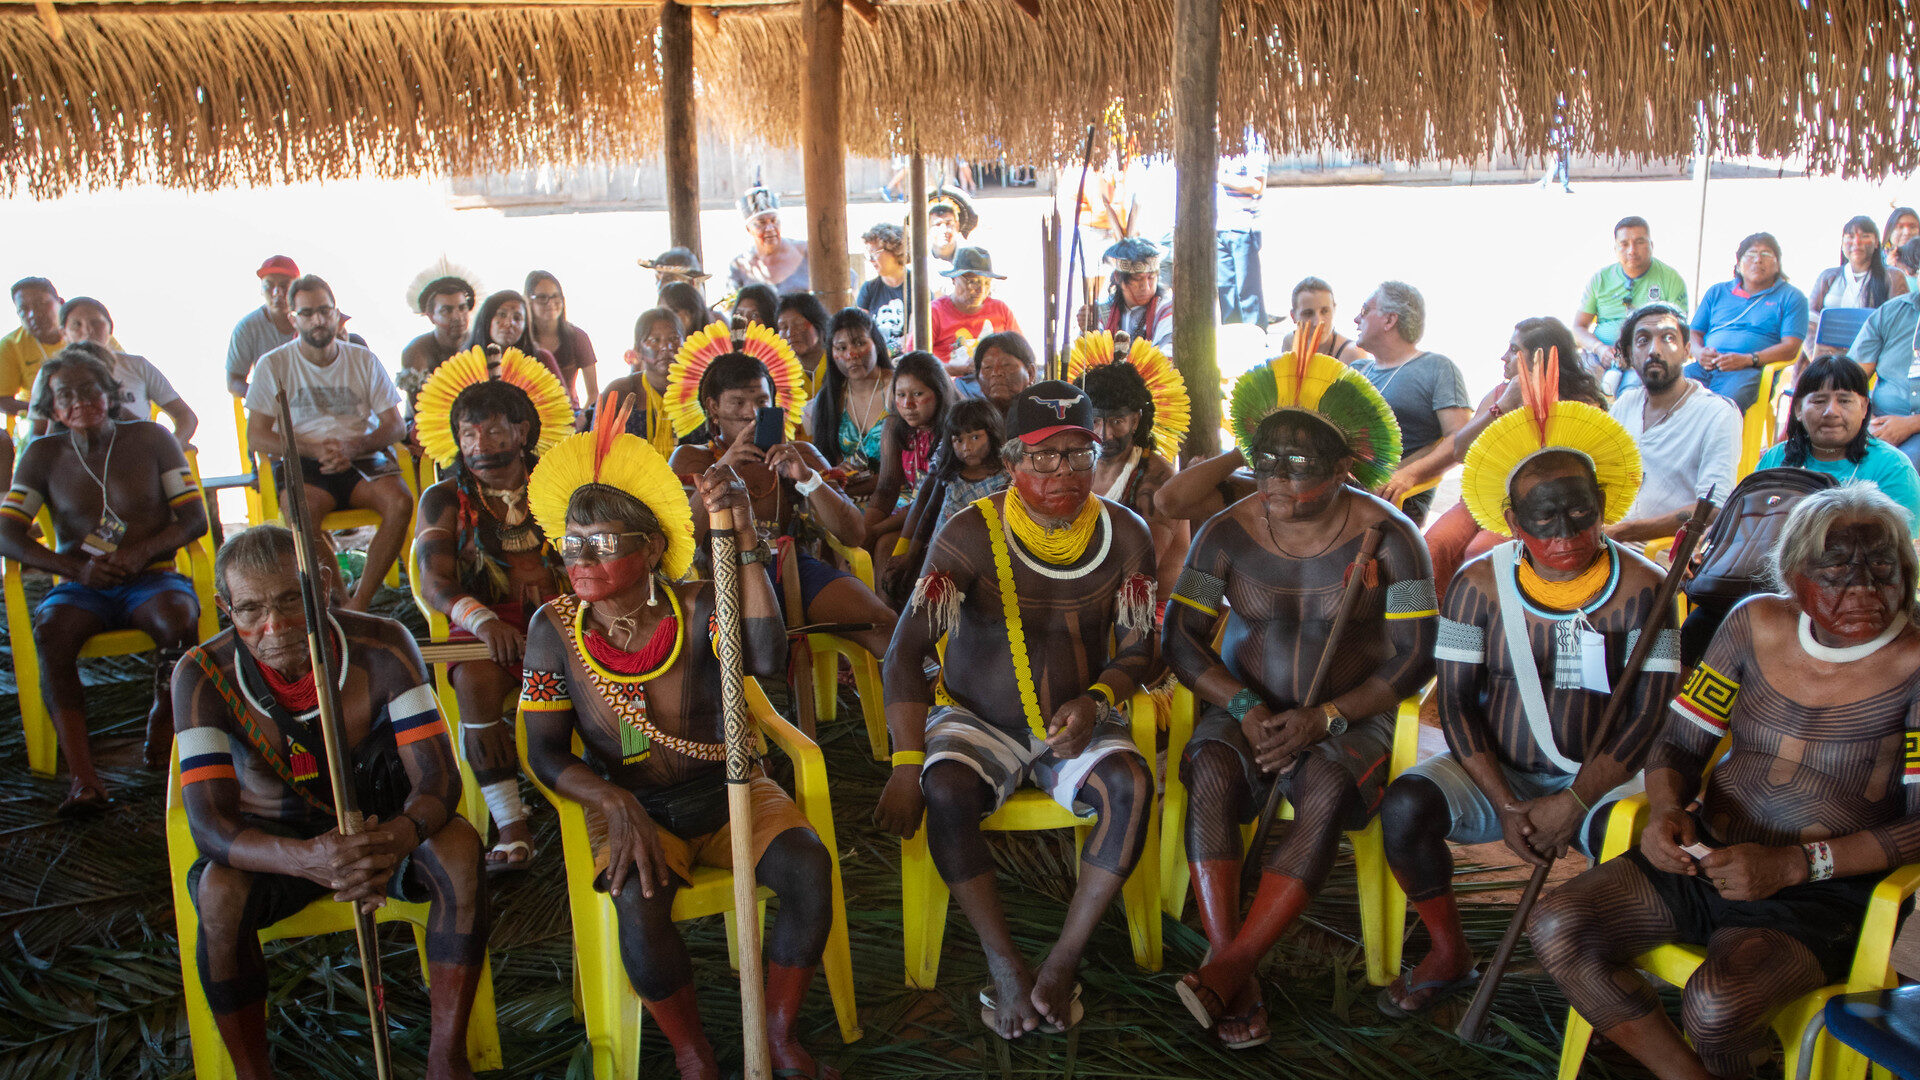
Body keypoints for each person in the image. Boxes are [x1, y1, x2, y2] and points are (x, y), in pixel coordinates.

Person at [1529, 483, 1920, 1080]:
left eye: (1882, 570)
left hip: (1824, 889)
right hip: (1706, 855)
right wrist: (1664, 810)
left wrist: (1797, 866)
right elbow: (1682, 740)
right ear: (1794, 574)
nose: (1864, 588)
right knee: (1557, 928)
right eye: (1838, 571)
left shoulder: (1916, 664)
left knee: (1717, 1006)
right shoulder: (1754, 623)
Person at [519, 416, 840, 1080]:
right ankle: (693, 1054)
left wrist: (745, 535)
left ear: (653, 546)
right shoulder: (552, 629)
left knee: (809, 867)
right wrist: (612, 800)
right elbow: (545, 753)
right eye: (572, 544)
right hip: (634, 809)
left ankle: (779, 1035)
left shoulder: (698, 604)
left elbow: (768, 655)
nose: (580, 558)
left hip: (731, 793)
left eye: (602, 543)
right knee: (638, 903)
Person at [1378, 359, 1676, 1017]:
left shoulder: (1645, 591)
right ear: (1513, 521)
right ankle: (1448, 952)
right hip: (1500, 777)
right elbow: (1454, 702)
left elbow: (1650, 714)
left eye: (1580, 514)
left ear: (1604, 505)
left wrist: (1574, 802)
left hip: (1605, 784)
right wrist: (1507, 804)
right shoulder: (1478, 587)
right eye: (1544, 521)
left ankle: (1613, 985)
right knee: (1405, 808)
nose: (1566, 536)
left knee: (1645, 854)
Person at [1163, 338, 1434, 1049]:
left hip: (1351, 721)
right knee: (1214, 771)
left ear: (1346, 467)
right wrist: (1245, 707)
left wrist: (1327, 716)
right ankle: (1234, 967)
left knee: (1319, 786)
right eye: (1267, 463)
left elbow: (1416, 657)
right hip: (1241, 711)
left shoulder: (1393, 539)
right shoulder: (1223, 533)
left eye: (1301, 466)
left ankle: (1229, 969)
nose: (1277, 482)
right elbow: (1180, 638)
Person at [877, 381, 1158, 1040]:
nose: (1063, 473)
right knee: (943, 789)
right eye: (1042, 458)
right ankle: (1004, 965)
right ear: (1010, 465)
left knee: (1132, 785)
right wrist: (904, 761)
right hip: (978, 718)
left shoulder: (1128, 537)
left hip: (1081, 719)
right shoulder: (970, 535)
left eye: (1077, 455)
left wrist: (1098, 699)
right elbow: (905, 650)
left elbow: (1142, 647)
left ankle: (1062, 962)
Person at [172, 524, 486, 1080]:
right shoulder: (201, 676)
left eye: (292, 600)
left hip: (383, 835)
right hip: (275, 853)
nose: (275, 627)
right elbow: (210, 827)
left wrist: (391, 839)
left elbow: (438, 783)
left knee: (459, 847)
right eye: (250, 611)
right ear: (225, 607)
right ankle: (251, 1072)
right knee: (219, 893)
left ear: (321, 585)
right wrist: (306, 858)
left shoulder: (385, 645)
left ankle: (446, 1059)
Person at [0, 348, 208, 814]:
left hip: (152, 578)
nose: (79, 401)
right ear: (52, 408)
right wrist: (77, 569)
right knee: (52, 631)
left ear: (111, 393)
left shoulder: (153, 439)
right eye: (64, 395)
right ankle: (84, 779)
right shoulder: (41, 455)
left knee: (178, 620)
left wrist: (137, 554)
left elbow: (194, 520)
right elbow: (5, 533)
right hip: (80, 586)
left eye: (89, 389)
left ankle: (164, 714)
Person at [412, 348, 575, 874]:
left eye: (494, 432)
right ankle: (511, 824)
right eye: (468, 435)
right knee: (476, 681)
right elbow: (433, 579)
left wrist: (565, 605)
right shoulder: (442, 498)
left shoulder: (559, 481)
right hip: (484, 624)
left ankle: (623, 788)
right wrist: (483, 620)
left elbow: (594, 546)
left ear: (523, 431)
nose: (480, 446)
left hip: (565, 615)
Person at [664, 324, 898, 663]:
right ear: (713, 407)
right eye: (738, 402)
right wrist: (724, 467)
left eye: (761, 401)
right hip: (721, 576)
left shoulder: (800, 453)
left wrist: (807, 479)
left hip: (788, 567)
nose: (751, 413)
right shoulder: (692, 458)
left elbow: (854, 533)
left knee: (884, 623)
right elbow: (680, 546)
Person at [1385, 318, 1607, 595]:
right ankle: (1430, 632)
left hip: (1533, 509)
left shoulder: (1581, 405)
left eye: (1515, 350)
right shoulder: (1501, 394)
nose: (1504, 357)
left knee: (1481, 552)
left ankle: (1476, 631)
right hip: (1480, 501)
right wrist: (1503, 406)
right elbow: (1461, 450)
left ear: (1540, 359)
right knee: (1431, 548)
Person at [245, 275, 412, 612]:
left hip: (362, 455)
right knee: (300, 513)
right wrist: (313, 448)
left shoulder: (362, 359)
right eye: (307, 313)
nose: (318, 320)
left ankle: (360, 602)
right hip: (303, 458)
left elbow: (394, 424)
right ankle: (336, 598)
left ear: (337, 314)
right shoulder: (274, 364)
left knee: (400, 503)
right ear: (293, 319)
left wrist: (355, 446)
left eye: (325, 311)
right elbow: (257, 435)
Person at [1609, 303, 1741, 545]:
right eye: (1643, 340)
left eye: (1668, 338)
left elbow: (1713, 508)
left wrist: (1623, 531)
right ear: (1629, 353)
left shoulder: (1716, 413)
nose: (1654, 350)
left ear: (1686, 351)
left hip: (1665, 558)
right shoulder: (1625, 404)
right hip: (1609, 547)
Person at [1071, 332, 1191, 598]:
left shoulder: (1158, 479)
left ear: (1135, 421)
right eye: (1096, 421)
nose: (1105, 435)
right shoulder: (1077, 465)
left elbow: (1140, 569)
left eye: (1117, 421)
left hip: (1149, 606)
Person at [1351, 282, 1472, 524]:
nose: (1356, 319)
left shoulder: (1436, 368)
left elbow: (1460, 439)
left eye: (1365, 310)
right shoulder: (1356, 370)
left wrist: (1407, 475)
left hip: (1392, 499)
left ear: (1389, 320)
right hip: (1340, 488)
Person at [29, 298, 197, 448]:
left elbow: (185, 416)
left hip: (136, 453)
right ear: (64, 333)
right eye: (76, 324)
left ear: (110, 328)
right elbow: (39, 433)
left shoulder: (137, 366)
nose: (87, 331)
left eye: (95, 322)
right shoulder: (51, 374)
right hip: (74, 461)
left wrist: (169, 449)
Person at [1686, 232, 1809, 412]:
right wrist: (1699, 352)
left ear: (1778, 264)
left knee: (1720, 408)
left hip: (1750, 371)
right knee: (1666, 393)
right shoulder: (1717, 292)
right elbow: (1693, 332)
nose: (1758, 260)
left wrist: (1748, 359)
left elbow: (1791, 348)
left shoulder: (1792, 297)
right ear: (1738, 264)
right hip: (1704, 366)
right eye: (1751, 254)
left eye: (1766, 254)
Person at [1572, 216, 1690, 382]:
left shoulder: (1670, 279)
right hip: (1601, 356)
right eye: (1624, 244)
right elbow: (1578, 327)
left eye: (1640, 242)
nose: (1632, 250)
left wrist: (1639, 353)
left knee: (1634, 388)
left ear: (1651, 245)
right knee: (1579, 382)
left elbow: (1677, 331)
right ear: (1615, 248)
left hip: (1646, 357)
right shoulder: (1600, 279)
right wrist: (1599, 349)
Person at [865, 351, 956, 563]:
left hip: (942, 516)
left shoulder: (953, 432)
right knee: (860, 544)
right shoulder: (894, 427)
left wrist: (876, 531)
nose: (908, 404)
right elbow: (886, 487)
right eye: (901, 395)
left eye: (917, 394)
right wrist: (866, 530)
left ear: (939, 392)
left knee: (885, 545)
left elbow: (930, 502)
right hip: (911, 512)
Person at [809, 306, 894, 498]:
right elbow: (826, 461)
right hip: (849, 495)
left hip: (898, 495)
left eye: (859, 343)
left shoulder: (899, 389)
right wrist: (838, 471)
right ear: (832, 353)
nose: (851, 355)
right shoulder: (830, 398)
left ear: (876, 343)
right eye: (841, 348)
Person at [2, 276, 91, 418]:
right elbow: (2, 401)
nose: (33, 314)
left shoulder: (90, 330)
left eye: (40, 304)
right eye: (23, 309)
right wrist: (51, 411)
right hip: (40, 427)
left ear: (61, 303)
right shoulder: (10, 345)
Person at [930, 247, 1021, 377]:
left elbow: (1022, 353)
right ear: (954, 279)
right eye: (973, 282)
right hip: (950, 389)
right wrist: (955, 369)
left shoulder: (1001, 310)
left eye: (987, 283)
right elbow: (916, 362)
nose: (981, 290)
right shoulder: (935, 312)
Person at [603, 308, 682, 456]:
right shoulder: (620, 392)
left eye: (673, 338)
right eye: (655, 340)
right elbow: (598, 449)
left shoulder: (699, 391)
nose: (666, 347)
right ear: (638, 350)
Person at [1810, 216, 1907, 332]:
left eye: (1865, 236)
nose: (1857, 242)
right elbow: (1809, 317)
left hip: (1873, 348)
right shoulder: (1828, 277)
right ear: (1842, 243)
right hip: (1828, 348)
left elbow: (1902, 321)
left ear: (1876, 242)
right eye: (1850, 237)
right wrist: (1815, 349)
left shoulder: (1893, 277)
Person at [224, 256, 301, 398]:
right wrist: (264, 399)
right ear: (261, 289)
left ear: (298, 289)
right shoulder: (247, 327)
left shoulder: (312, 321)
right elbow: (233, 381)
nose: (277, 292)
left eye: (285, 285)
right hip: (268, 410)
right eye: (269, 285)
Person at [1082, 239, 1174, 355]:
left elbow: (1166, 358)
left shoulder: (1165, 310)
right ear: (1118, 277)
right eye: (1137, 279)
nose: (1145, 287)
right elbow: (1091, 357)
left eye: (1151, 278)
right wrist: (1087, 329)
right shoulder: (1104, 312)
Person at [399, 261, 480, 387]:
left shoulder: (480, 343)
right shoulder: (416, 350)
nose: (457, 317)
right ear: (431, 317)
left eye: (462, 308)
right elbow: (421, 402)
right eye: (447, 310)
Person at [526, 270, 599, 407]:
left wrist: (583, 417)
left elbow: (593, 394)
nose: (550, 303)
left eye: (555, 296)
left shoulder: (577, 337)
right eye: (542, 298)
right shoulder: (522, 340)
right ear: (529, 302)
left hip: (570, 417)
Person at [468, 289, 566, 389]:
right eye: (502, 315)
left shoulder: (542, 359)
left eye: (517, 318)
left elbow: (561, 402)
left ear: (525, 326)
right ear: (487, 319)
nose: (509, 323)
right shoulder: (466, 363)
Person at [1215, 146, 1268, 326]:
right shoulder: (1218, 142)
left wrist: (1220, 177)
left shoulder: (1252, 142)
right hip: (1219, 227)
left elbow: (1257, 185)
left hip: (1242, 226)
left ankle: (1257, 338)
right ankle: (1233, 341)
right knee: (1226, 291)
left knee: (1247, 293)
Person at [728, 187, 812, 295]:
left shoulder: (805, 251)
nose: (770, 228)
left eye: (774, 221)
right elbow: (732, 306)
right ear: (748, 229)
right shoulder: (740, 266)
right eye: (761, 223)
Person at [1280, 279, 1368, 363]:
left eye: (1325, 311)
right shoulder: (1290, 342)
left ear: (1334, 310)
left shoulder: (1352, 354)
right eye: (1308, 313)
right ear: (1293, 316)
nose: (1318, 322)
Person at [858, 222, 910, 354]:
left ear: (895, 250)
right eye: (868, 254)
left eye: (875, 253)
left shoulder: (917, 287)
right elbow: (859, 331)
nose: (871, 259)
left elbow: (915, 336)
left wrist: (886, 352)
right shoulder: (869, 289)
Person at [959, 330, 1037, 412]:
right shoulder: (972, 421)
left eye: (1007, 365)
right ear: (978, 379)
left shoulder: (1045, 417)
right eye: (988, 367)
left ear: (1030, 373)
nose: (996, 372)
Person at [776, 292, 832, 395]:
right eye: (784, 327)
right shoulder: (781, 374)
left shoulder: (837, 362)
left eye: (798, 324)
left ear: (818, 324)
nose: (790, 333)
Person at [638, 246, 711, 291]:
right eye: (658, 279)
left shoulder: (712, 316)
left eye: (668, 279)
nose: (659, 286)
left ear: (692, 283)